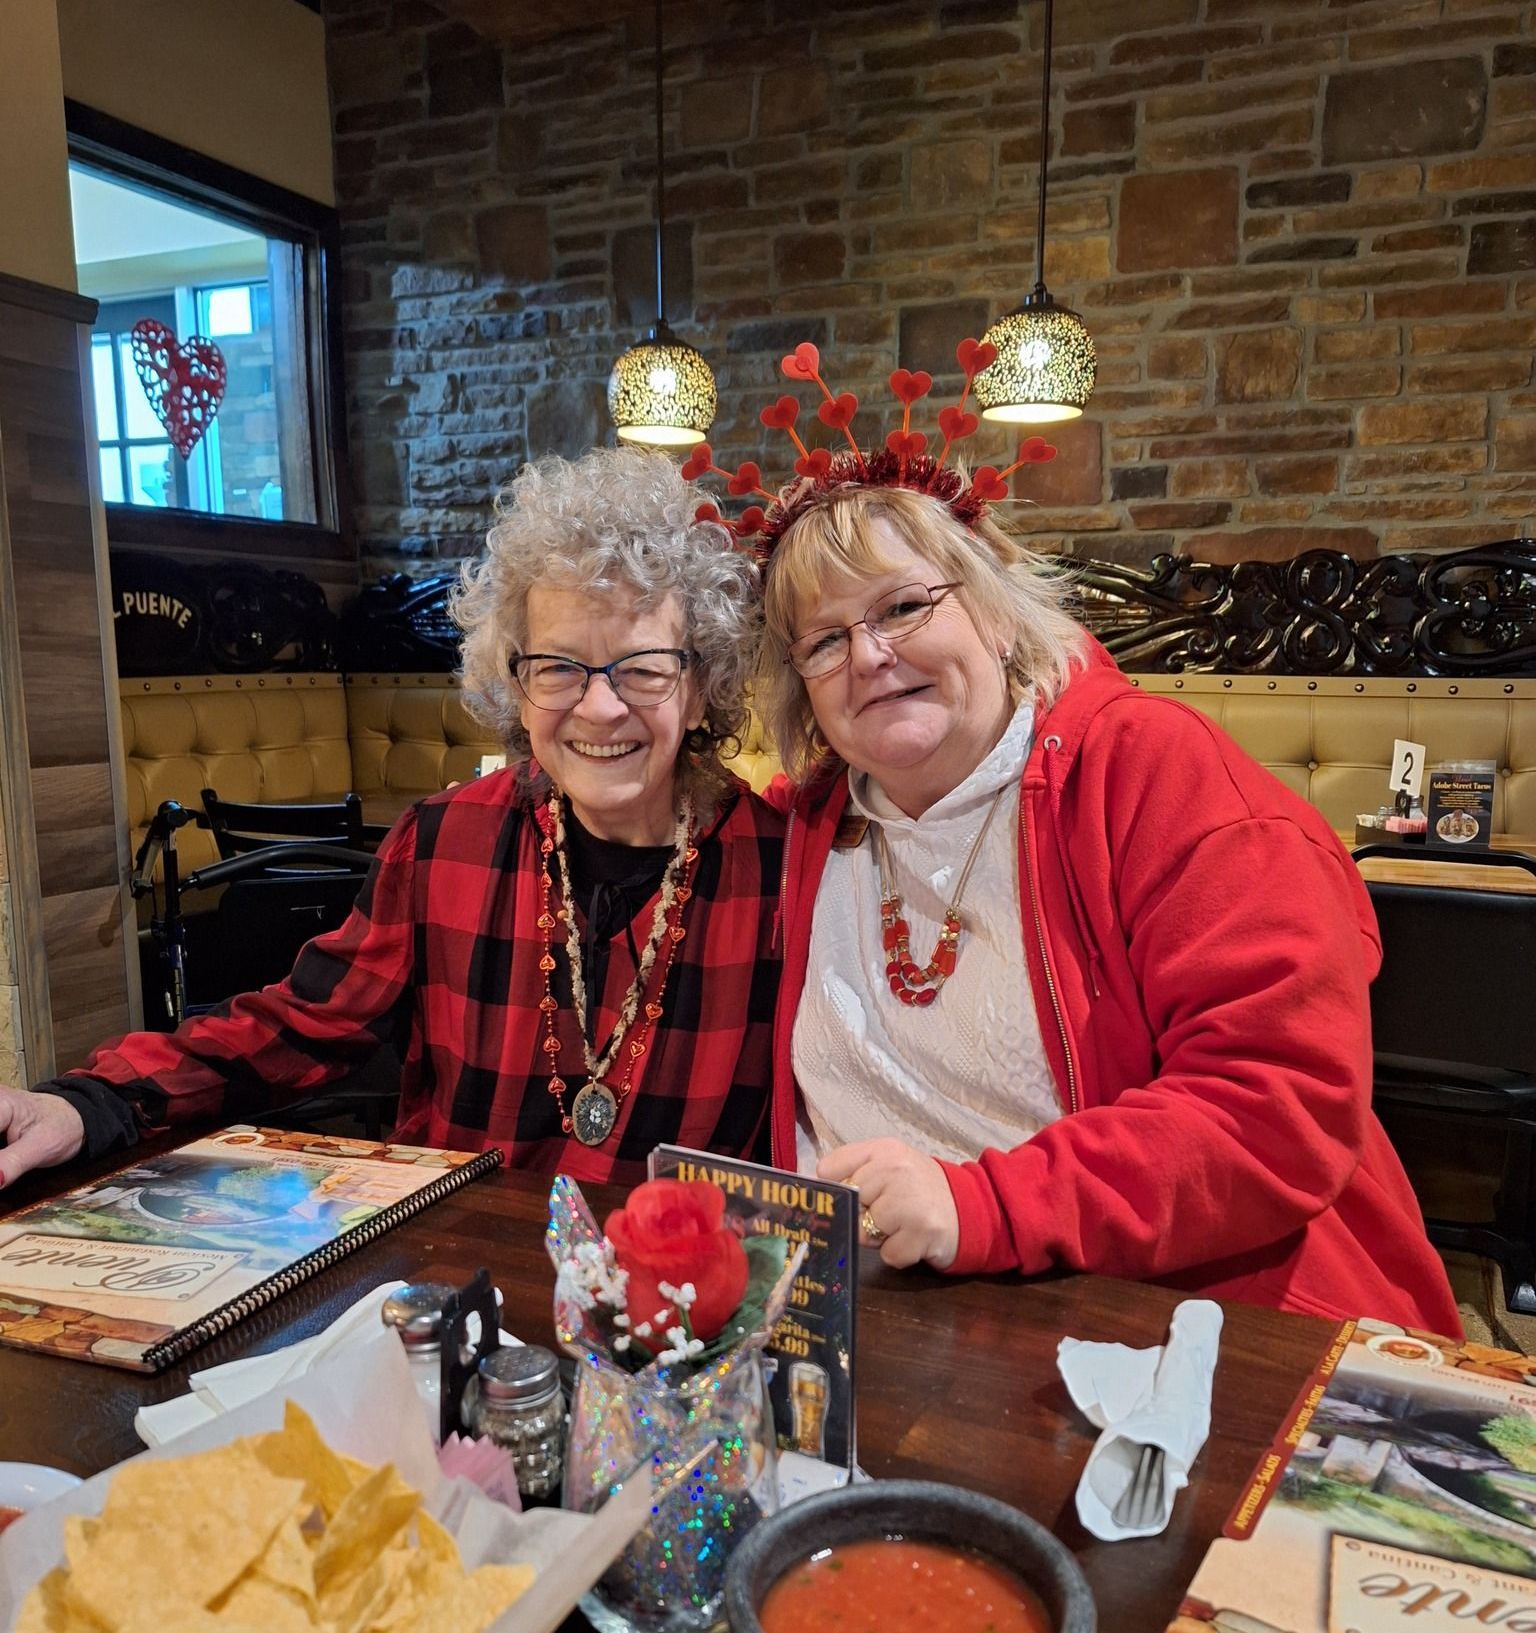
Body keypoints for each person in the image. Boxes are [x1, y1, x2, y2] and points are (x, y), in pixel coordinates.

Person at [743, 409, 1459, 1332]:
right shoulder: (807, 829)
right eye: (824, 640)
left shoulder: (1151, 769)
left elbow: (1276, 1105)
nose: (870, 656)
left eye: (903, 607)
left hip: (1187, 1325)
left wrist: (983, 1207)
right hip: (884, 1329)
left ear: (996, 611)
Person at [0, 448, 783, 1192]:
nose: (601, 706)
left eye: (643, 669)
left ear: (700, 682)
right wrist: (87, 1103)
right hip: (458, 1286)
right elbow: (302, 1025)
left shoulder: (781, 872)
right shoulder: (445, 842)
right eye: (558, 667)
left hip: (682, 1307)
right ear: (514, 682)